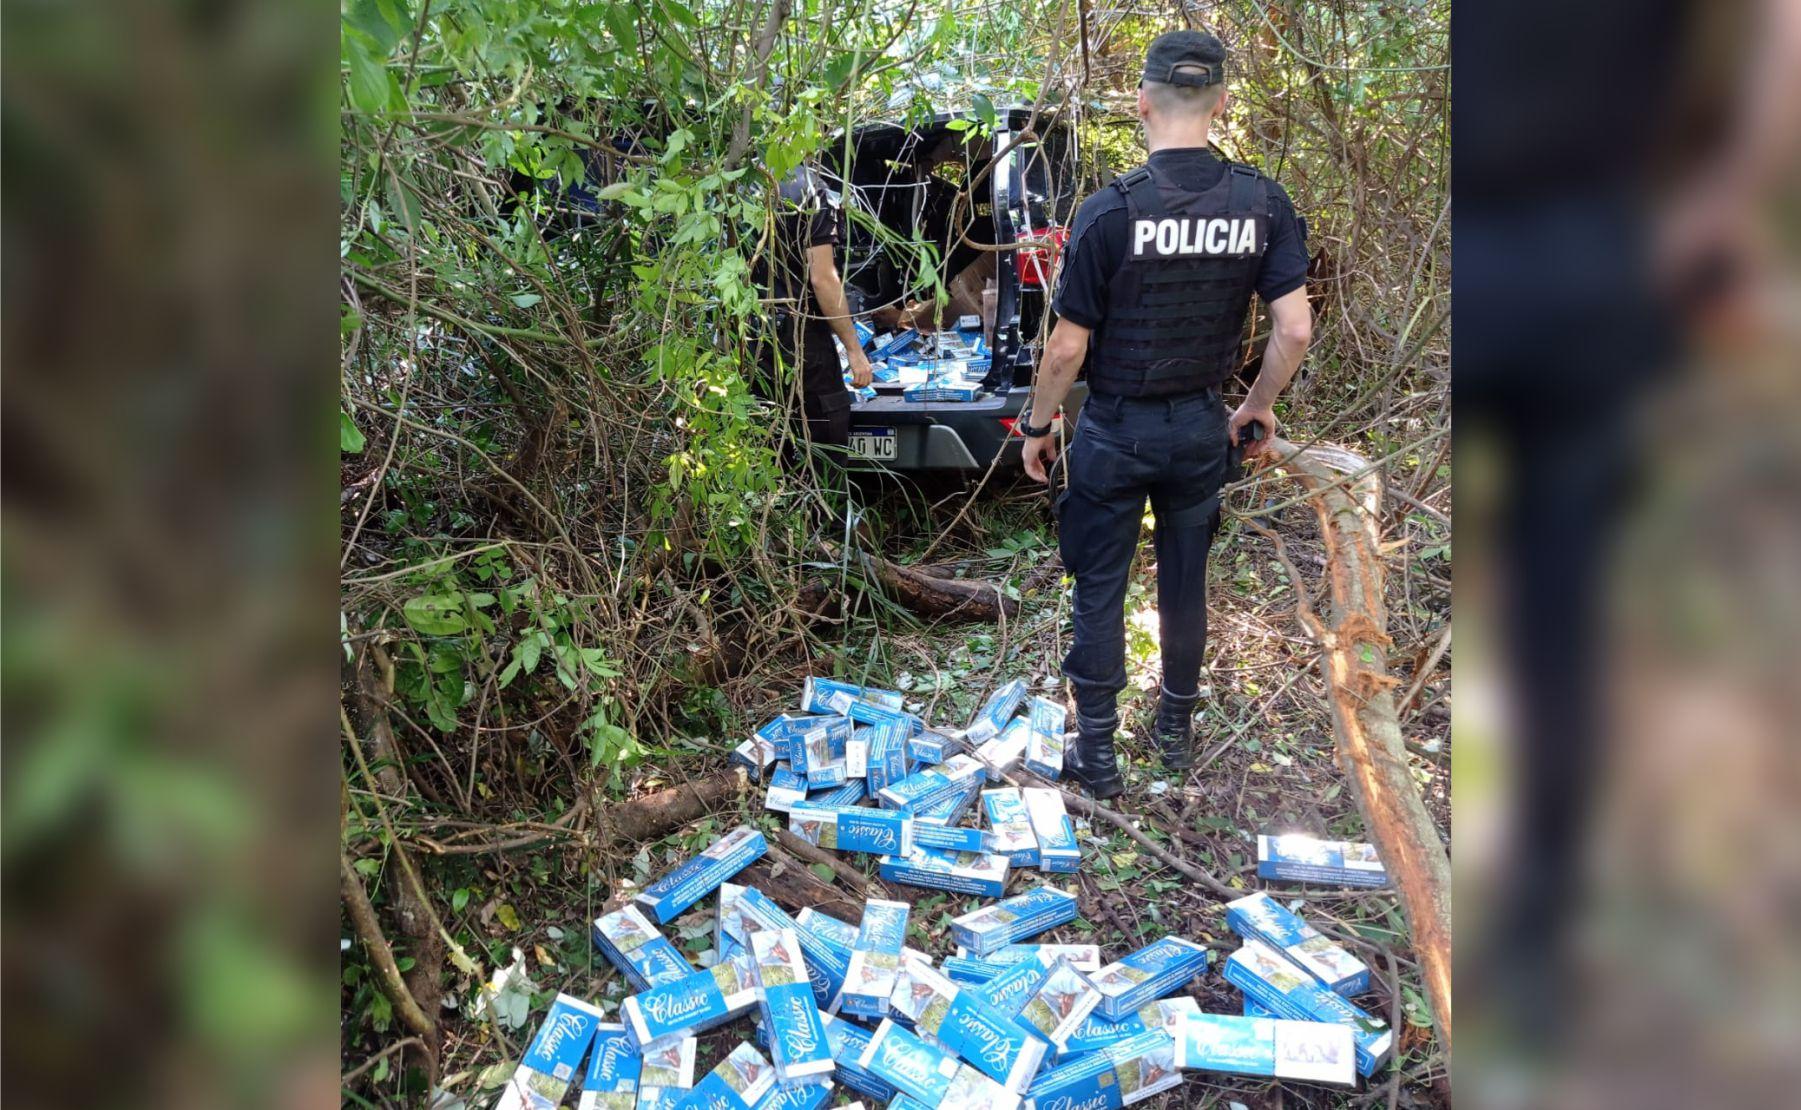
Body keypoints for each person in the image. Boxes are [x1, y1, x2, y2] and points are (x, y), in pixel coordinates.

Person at [1018, 30, 1313, 799]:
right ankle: (1174, 733)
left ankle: (1097, 755)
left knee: (1099, 586)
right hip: (1198, 428)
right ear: (1219, 103)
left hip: (1116, 428)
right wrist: (1254, 408)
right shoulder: (1260, 201)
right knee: (1186, 582)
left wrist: (1039, 426)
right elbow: (1295, 327)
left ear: (1140, 101)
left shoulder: (1109, 213)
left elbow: (1063, 351)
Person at [759, 164, 873, 462]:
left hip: (751, 335)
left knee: (768, 451)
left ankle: (778, 506)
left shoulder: (743, 183)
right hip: (800, 338)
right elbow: (822, 279)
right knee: (825, 446)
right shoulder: (809, 190)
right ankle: (824, 506)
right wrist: (854, 349)